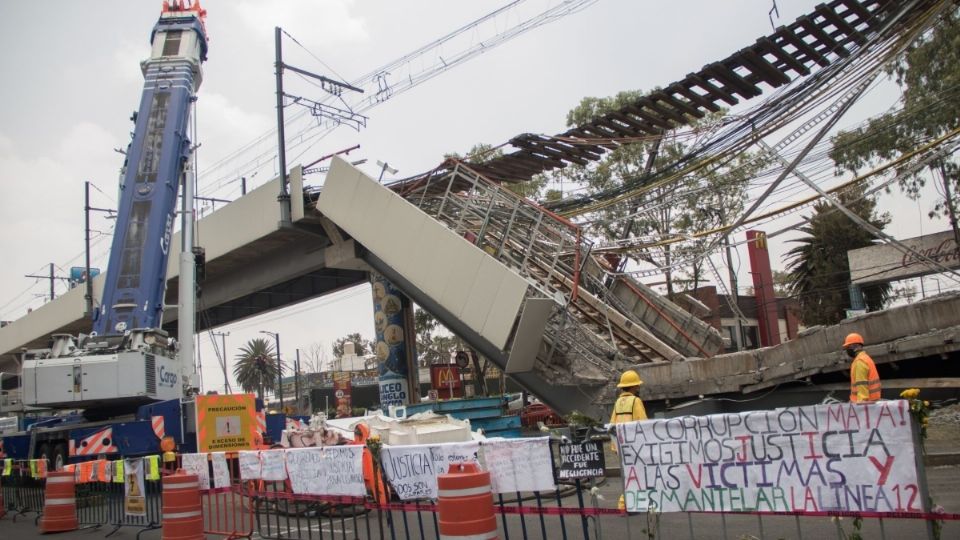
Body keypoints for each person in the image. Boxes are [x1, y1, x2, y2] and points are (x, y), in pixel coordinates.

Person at [610, 369, 647, 511]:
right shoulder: (635, 401)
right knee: (635, 475)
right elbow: (642, 423)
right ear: (633, 386)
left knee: (629, 474)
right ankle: (624, 504)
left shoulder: (618, 402)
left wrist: (614, 446)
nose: (639, 387)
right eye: (637, 385)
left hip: (620, 445)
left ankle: (630, 503)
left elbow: (612, 424)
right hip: (634, 445)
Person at [844, 332, 881, 403]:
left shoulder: (859, 361)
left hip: (865, 404)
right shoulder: (866, 358)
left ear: (855, 346)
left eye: (848, 347)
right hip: (873, 401)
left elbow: (861, 383)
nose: (847, 350)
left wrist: (862, 401)